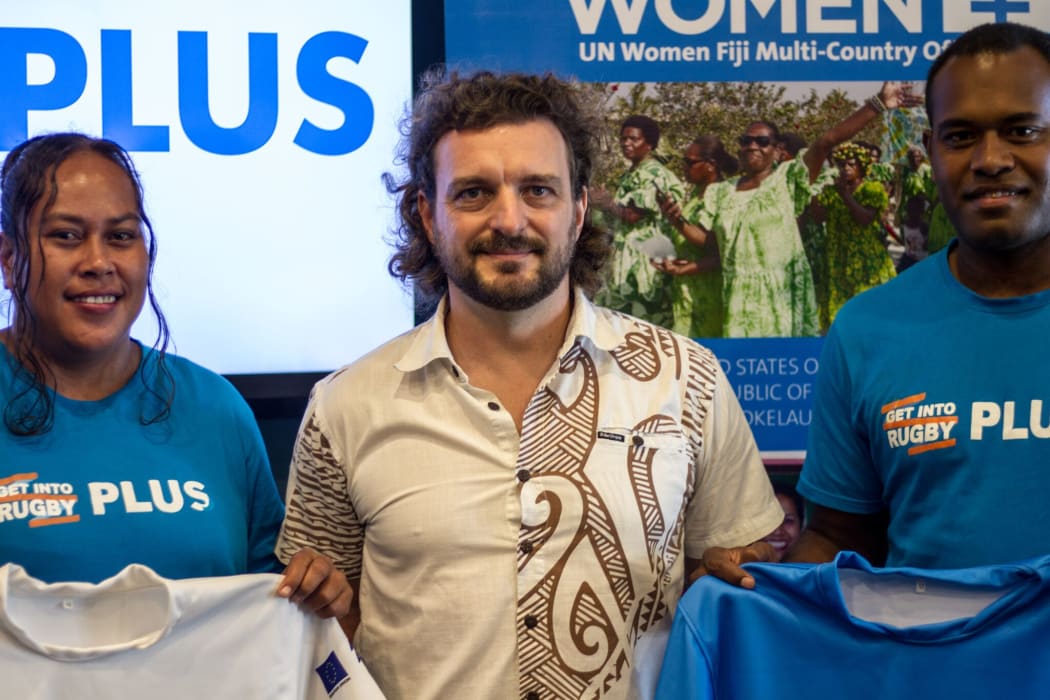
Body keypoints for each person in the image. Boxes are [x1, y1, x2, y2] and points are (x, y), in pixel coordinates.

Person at [275, 69, 783, 700]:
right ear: (426, 215)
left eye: (538, 190)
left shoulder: (687, 380)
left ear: (579, 209)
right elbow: (318, 629)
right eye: (473, 193)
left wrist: (746, 573)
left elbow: (739, 590)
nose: (509, 220)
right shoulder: (345, 406)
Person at [0, 133, 350, 619]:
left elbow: (269, 600)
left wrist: (315, 590)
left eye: (121, 236)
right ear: (9, 256)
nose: (99, 263)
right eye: (66, 236)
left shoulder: (215, 408)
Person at [781, 21, 1050, 571]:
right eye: (960, 136)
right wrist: (752, 597)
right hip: (931, 658)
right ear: (929, 149)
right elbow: (837, 537)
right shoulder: (866, 329)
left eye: (1022, 131)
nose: (991, 159)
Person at [676, 82, 920, 338]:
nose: (752, 146)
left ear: (776, 149)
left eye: (762, 141)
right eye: (746, 140)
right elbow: (713, 243)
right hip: (737, 300)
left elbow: (826, 142)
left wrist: (878, 104)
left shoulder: (788, 179)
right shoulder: (722, 191)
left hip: (781, 297)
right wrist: (677, 221)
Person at [591, 115, 684, 328]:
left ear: (649, 144)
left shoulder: (653, 174)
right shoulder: (631, 174)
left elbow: (634, 215)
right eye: (623, 139)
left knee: (646, 324)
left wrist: (607, 203)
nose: (626, 143)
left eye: (633, 139)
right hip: (627, 259)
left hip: (645, 260)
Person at [655, 134, 738, 337]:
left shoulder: (720, 193)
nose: (684, 167)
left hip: (707, 293)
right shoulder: (695, 194)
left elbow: (713, 243)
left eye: (690, 162)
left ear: (710, 165)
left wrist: (677, 221)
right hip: (687, 291)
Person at [814, 141, 897, 331]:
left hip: (865, 258)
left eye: (851, 164)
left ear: (862, 166)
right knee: (841, 315)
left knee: (868, 310)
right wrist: (812, 191)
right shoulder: (831, 191)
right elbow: (819, 218)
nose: (846, 168)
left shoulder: (872, 189)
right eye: (842, 165)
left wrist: (846, 196)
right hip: (838, 257)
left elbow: (865, 219)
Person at [761, 481, 804, 562]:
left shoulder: (815, 571)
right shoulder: (738, 572)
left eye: (788, 521)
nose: (778, 532)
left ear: (802, 526)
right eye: (768, 521)